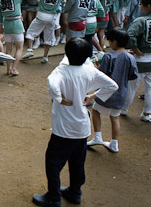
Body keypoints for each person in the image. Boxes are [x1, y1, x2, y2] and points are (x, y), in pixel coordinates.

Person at [32, 38, 118, 207]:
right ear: (88, 56)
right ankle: (75, 192)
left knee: (53, 161)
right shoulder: (89, 70)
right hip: (82, 127)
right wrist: (93, 96)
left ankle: (54, 197)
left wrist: (59, 99)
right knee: (77, 162)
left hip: (64, 127)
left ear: (67, 54)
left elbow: (52, 84)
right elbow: (112, 86)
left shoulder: (61, 71)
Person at [87, 28, 137, 153]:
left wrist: (96, 65)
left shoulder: (109, 56)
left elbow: (102, 74)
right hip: (121, 93)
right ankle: (114, 143)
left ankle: (98, 136)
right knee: (115, 117)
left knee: (96, 111)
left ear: (114, 41)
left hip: (106, 92)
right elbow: (133, 75)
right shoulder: (130, 57)